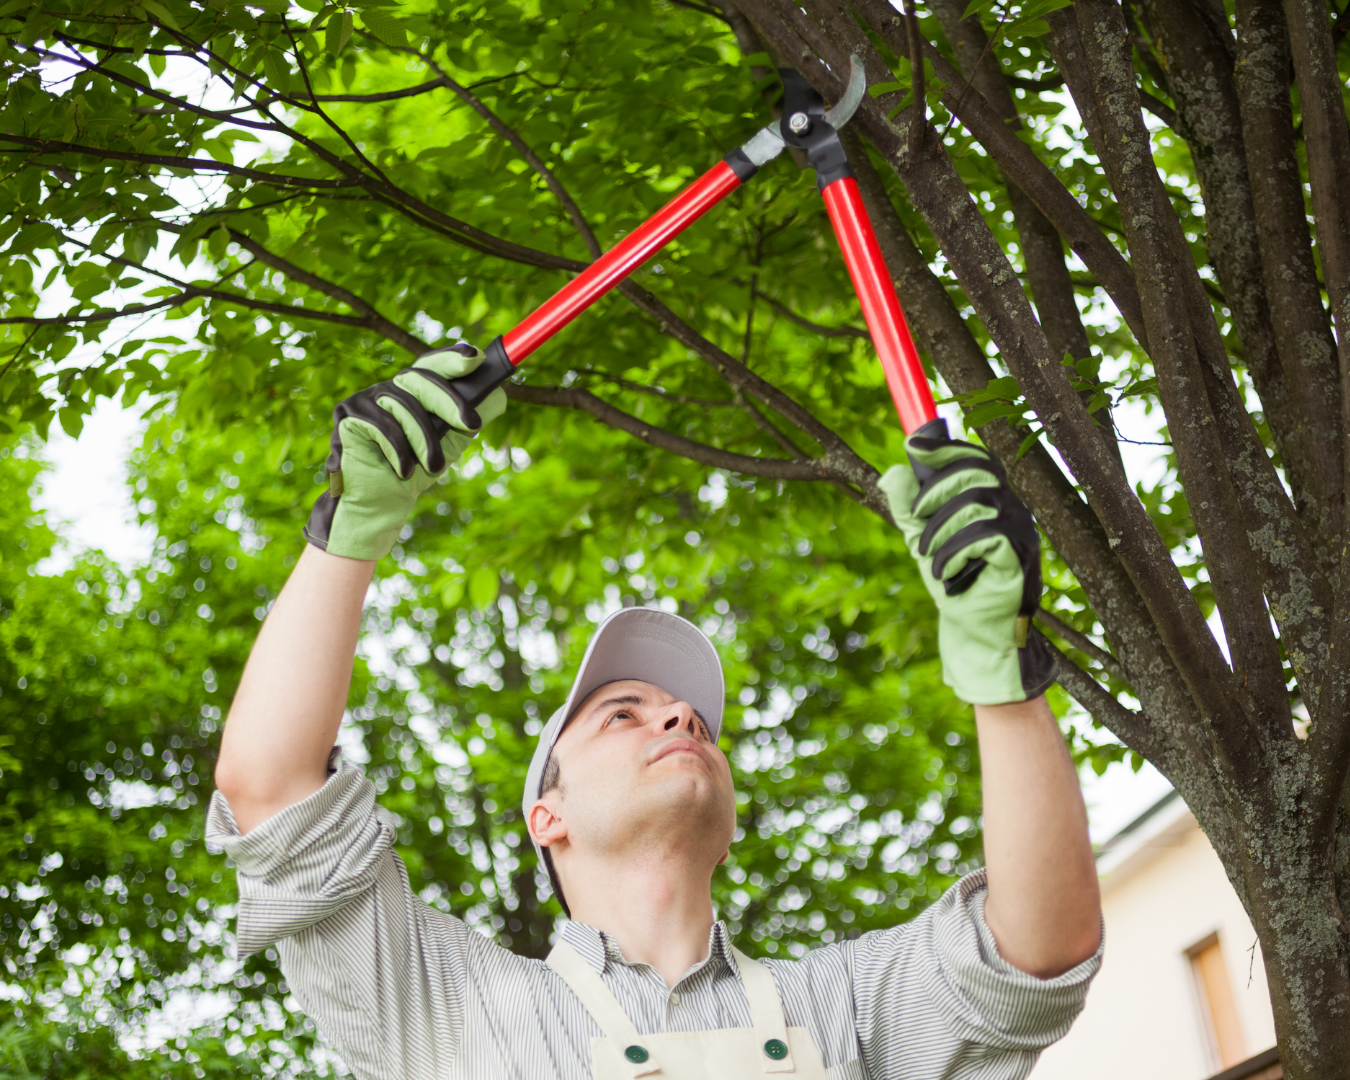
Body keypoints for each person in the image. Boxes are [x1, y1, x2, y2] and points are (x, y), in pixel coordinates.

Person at [208, 345, 1102, 1080]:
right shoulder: (451, 1009)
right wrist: (352, 528)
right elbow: (272, 791)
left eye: (697, 724)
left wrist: (1002, 669)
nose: (679, 720)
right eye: (623, 715)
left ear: (731, 822)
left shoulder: (847, 1006)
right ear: (544, 815)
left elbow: (1039, 950)